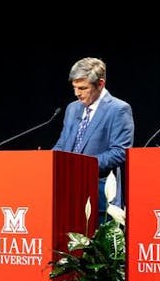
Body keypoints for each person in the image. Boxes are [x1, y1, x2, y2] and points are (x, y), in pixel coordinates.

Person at [52, 57, 134, 213]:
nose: (77, 93)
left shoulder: (119, 109)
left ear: (100, 84)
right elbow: (63, 144)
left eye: (83, 88)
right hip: (67, 190)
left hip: (99, 191)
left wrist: (82, 166)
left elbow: (120, 152)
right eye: (74, 88)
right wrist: (48, 160)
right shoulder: (72, 108)